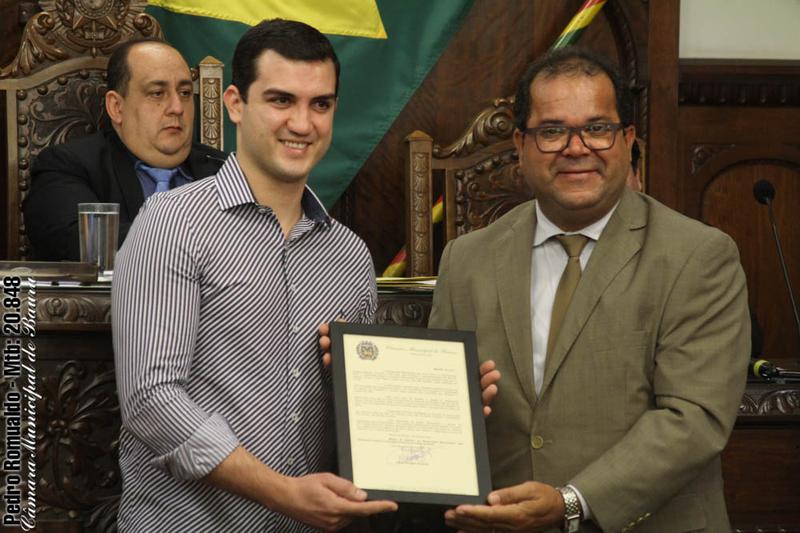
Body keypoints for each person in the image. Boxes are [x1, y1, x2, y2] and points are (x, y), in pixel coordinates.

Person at [432, 47, 750, 532]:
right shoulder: (466, 259)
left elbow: (693, 417)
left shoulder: (698, 256)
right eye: (552, 131)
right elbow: (441, 403)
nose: (576, 148)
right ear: (520, 145)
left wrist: (570, 502)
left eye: (597, 128)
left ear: (627, 140)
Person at [112, 20, 397, 532]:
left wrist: (441, 408)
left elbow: (360, 417)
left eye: (320, 104)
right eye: (281, 100)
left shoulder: (351, 257)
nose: (302, 123)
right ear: (235, 104)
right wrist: (282, 493)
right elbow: (150, 399)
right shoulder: (171, 223)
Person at [23, 38, 225, 260]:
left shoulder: (224, 170)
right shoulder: (68, 166)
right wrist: (206, 239)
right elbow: (81, 243)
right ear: (117, 107)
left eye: (185, 93)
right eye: (157, 93)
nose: (177, 108)